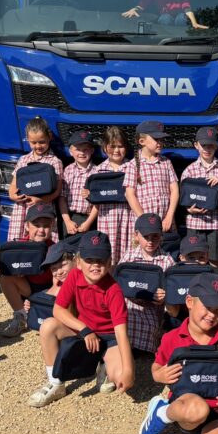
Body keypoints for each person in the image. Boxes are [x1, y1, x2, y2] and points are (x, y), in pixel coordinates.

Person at [139, 274, 218, 434]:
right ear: (189, 301)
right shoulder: (172, 338)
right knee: (197, 409)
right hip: (187, 408)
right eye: (207, 307)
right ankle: (161, 413)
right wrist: (159, 375)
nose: (213, 315)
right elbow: (156, 367)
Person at [27, 231, 135, 407]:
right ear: (78, 262)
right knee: (47, 326)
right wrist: (85, 330)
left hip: (109, 337)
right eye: (89, 260)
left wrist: (129, 371)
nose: (94, 265)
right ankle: (56, 383)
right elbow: (58, 309)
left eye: (100, 261)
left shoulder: (114, 290)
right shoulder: (74, 277)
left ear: (109, 263)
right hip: (84, 330)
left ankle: (104, 364)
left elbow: (121, 333)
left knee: (121, 377)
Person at [178, 126, 218, 267]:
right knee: (193, 258)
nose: (207, 149)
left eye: (211, 145)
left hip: (216, 221)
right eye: (204, 145)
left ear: (216, 147)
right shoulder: (190, 170)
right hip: (195, 221)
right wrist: (189, 210)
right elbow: (184, 197)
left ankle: (215, 287)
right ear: (196, 145)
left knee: (214, 260)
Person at [0, 204, 57, 337]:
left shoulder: (55, 249)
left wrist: (39, 299)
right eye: (36, 225)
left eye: (46, 226)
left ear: (52, 226)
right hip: (27, 287)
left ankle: (41, 311)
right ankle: (21, 316)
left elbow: (58, 281)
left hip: (48, 290)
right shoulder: (19, 247)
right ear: (26, 226)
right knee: (4, 275)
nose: (41, 230)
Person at [119, 213, 173, 355]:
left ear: (161, 236)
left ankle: (138, 350)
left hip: (153, 309)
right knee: (126, 318)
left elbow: (171, 289)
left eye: (155, 236)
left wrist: (164, 297)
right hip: (130, 304)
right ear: (137, 235)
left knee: (149, 325)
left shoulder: (167, 260)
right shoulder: (129, 257)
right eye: (146, 237)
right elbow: (119, 283)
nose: (150, 241)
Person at [7, 116, 63, 243]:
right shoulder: (23, 160)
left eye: (42, 142)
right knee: (19, 242)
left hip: (43, 209)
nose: (38, 146)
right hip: (22, 208)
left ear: (50, 137)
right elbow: (13, 186)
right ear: (28, 140)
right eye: (33, 142)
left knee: (44, 243)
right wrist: (12, 195)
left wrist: (40, 200)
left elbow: (58, 191)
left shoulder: (55, 162)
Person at [124, 120, 179, 233]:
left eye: (161, 139)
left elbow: (174, 190)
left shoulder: (166, 162)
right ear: (142, 141)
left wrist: (169, 216)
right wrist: (144, 220)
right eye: (156, 139)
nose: (160, 142)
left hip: (165, 222)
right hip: (144, 225)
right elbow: (130, 195)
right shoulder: (133, 165)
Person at [90, 126, 131, 265]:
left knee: (128, 251)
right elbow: (94, 197)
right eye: (112, 146)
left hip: (128, 217)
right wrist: (88, 194)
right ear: (105, 147)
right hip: (107, 218)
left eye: (120, 146)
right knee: (108, 255)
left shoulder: (132, 167)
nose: (116, 150)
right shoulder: (98, 170)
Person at [59, 130, 97, 235]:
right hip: (70, 218)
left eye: (86, 149)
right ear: (71, 151)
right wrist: (67, 221)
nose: (81, 153)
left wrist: (88, 222)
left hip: (90, 220)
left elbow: (99, 203)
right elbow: (62, 198)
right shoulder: (67, 170)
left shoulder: (97, 172)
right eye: (77, 149)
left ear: (92, 150)